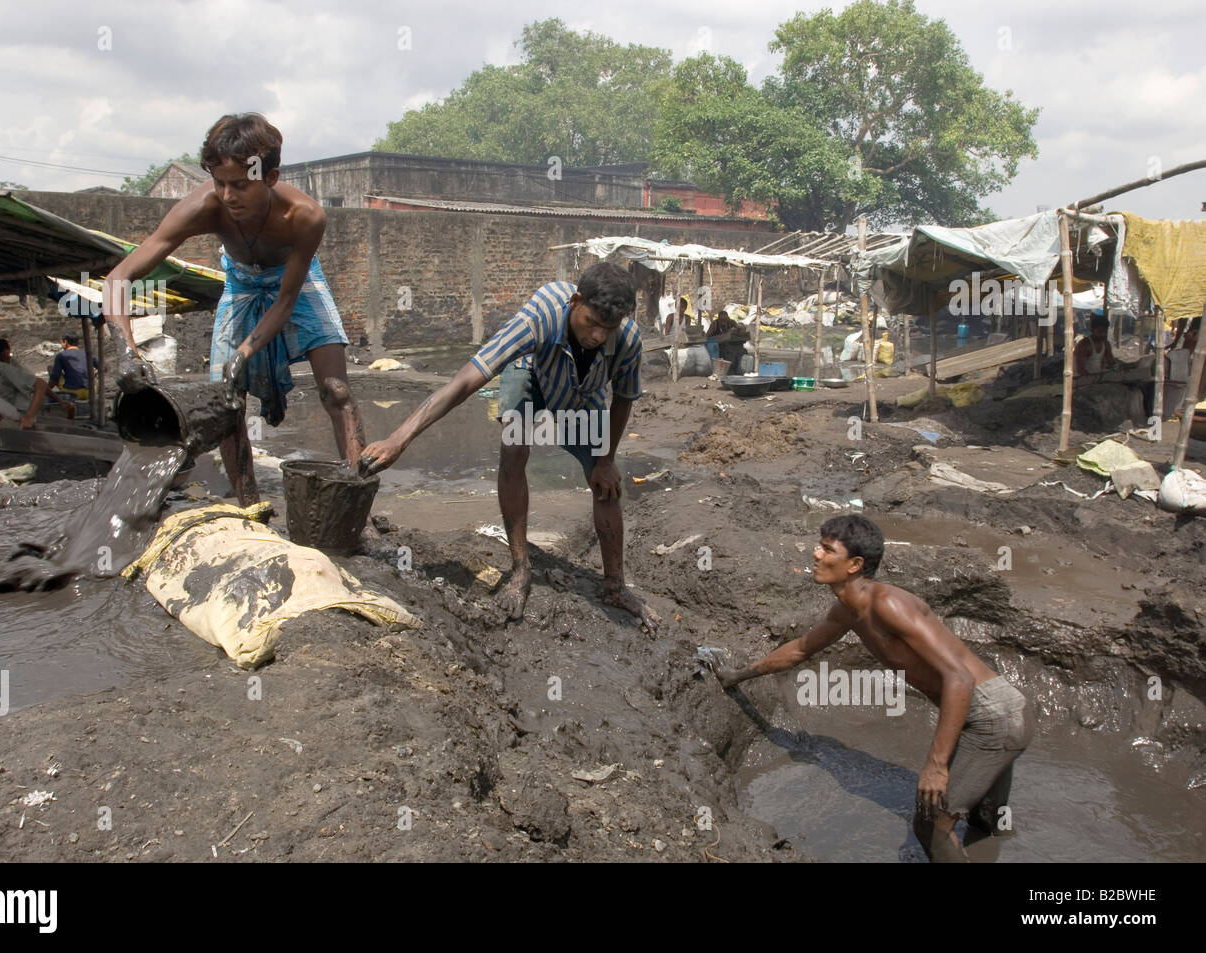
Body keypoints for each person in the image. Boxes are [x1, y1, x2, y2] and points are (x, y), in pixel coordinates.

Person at [358, 262, 661, 634]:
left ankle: (615, 586)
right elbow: (466, 381)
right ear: (575, 301)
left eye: (607, 329)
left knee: (606, 483)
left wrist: (606, 459)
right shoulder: (542, 314)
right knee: (514, 449)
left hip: (583, 395)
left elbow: (624, 400)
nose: (598, 336)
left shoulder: (627, 339)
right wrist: (398, 439)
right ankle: (521, 569)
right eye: (591, 323)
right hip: (531, 373)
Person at [715, 514, 1032, 863]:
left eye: (826, 549)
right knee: (986, 820)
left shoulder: (888, 604)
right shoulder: (848, 611)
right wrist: (737, 676)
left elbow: (960, 678)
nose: (815, 555)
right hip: (995, 714)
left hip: (992, 718)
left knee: (930, 825)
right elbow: (799, 650)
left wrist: (936, 765)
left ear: (854, 564)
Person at [101, 113, 364, 505]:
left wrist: (245, 352)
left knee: (336, 390)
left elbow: (286, 301)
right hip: (240, 283)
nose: (228, 196)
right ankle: (250, 504)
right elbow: (117, 279)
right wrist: (126, 351)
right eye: (219, 183)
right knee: (228, 400)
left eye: (240, 185)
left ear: (270, 178)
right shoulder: (202, 208)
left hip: (295, 281)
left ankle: (355, 500)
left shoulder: (304, 217)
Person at [48, 333, 91, 400]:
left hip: (72, 393)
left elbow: (55, 378)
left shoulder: (61, 355)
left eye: (61, 342)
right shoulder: (86, 353)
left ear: (65, 342)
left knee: (51, 368)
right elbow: (102, 367)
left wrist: (46, 390)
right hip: (90, 391)